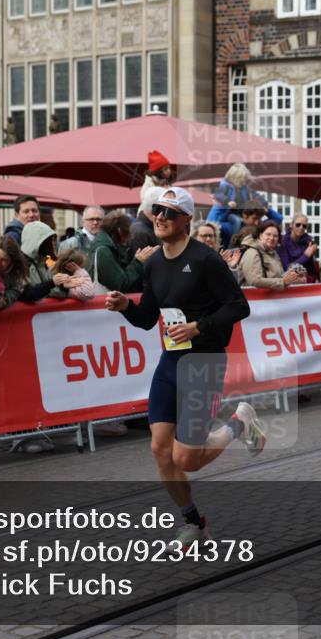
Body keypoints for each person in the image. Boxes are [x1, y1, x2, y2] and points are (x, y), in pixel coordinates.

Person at [104, 186, 259, 550]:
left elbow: (239, 307)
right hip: (170, 361)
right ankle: (193, 523)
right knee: (160, 450)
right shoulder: (154, 262)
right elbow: (146, 319)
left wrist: (198, 326)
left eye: (169, 213)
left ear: (186, 220)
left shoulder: (206, 260)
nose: (160, 217)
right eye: (157, 210)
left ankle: (240, 424)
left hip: (203, 361)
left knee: (186, 459)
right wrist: (126, 304)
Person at [208, 163, 282, 246]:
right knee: (236, 221)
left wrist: (265, 208)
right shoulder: (229, 227)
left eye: (259, 219)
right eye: (254, 219)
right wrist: (221, 204)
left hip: (240, 212)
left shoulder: (259, 227)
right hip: (229, 213)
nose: (257, 223)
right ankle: (233, 245)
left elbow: (278, 218)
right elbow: (211, 225)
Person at [89, 210, 159, 293]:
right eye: (127, 233)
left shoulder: (105, 245)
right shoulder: (103, 251)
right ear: (119, 231)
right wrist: (138, 261)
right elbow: (121, 285)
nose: (128, 238)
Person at [239, 221, 304, 290]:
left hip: (270, 299)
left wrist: (293, 277)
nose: (272, 238)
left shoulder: (273, 253)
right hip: (253, 299)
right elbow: (254, 281)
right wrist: (283, 282)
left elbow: (276, 277)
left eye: (275, 236)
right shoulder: (252, 252)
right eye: (268, 234)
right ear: (260, 235)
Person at [18, 220, 60, 303]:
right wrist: (51, 283)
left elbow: (51, 291)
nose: (51, 245)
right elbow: (26, 295)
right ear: (36, 242)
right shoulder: (21, 264)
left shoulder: (42, 262)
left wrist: (64, 287)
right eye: (48, 241)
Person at [277, 214, 318, 282]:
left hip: (305, 281)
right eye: (298, 224)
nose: (301, 227)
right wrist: (306, 256)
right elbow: (287, 268)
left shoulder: (308, 243)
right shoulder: (283, 242)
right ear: (291, 225)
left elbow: (311, 269)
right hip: (288, 282)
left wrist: (309, 279)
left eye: (304, 226)